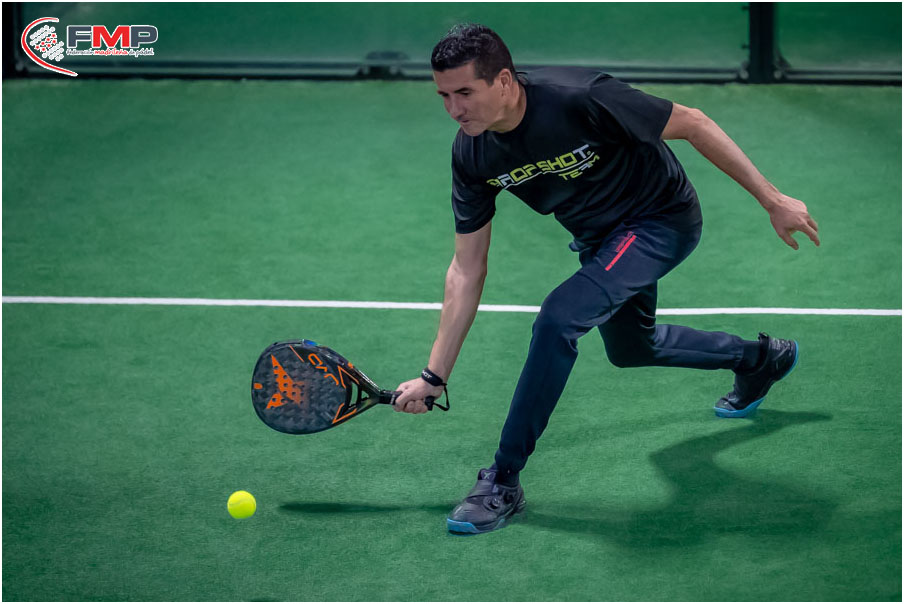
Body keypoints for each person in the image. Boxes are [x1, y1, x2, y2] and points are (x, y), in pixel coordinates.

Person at [392, 23, 820, 534]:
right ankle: (759, 358)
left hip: (661, 220)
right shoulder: (473, 154)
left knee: (559, 317)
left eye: (465, 92)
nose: (454, 109)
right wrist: (435, 376)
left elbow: (693, 122)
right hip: (602, 241)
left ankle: (502, 479)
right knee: (632, 348)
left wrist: (773, 199)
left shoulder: (579, 97)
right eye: (443, 96)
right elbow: (466, 267)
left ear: (503, 81)